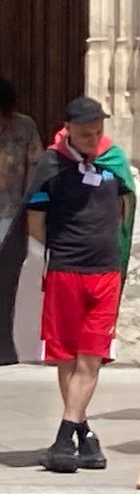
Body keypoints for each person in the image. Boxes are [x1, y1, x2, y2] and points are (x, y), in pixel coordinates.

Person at [23, 96, 135, 473]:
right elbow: (35, 221)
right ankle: (83, 435)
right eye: (86, 133)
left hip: (105, 273)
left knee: (92, 355)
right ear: (68, 129)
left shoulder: (113, 161)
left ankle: (63, 438)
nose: (93, 138)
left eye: (98, 131)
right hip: (65, 271)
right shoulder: (51, 165)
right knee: (68, 356)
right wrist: (47, 260)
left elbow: (125, 209)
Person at [0, 77, 40, 364]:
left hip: (12, 217)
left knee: (7, 286)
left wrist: (30, 211)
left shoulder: (24, 127)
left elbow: (35, 170)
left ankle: (4, 348)